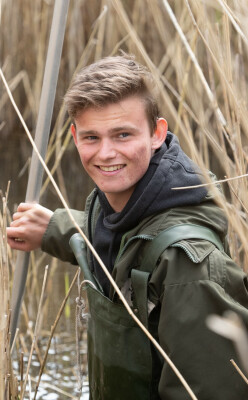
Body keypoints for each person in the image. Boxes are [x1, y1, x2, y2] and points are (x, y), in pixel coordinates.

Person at [7, 54, 248, 400]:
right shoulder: (116, 202)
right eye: (91, 137)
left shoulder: (188, 265)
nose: (106, 153)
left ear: (156, 133)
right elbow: (121, 242)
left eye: (123, 134)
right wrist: (57, 226)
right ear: (74, 136)